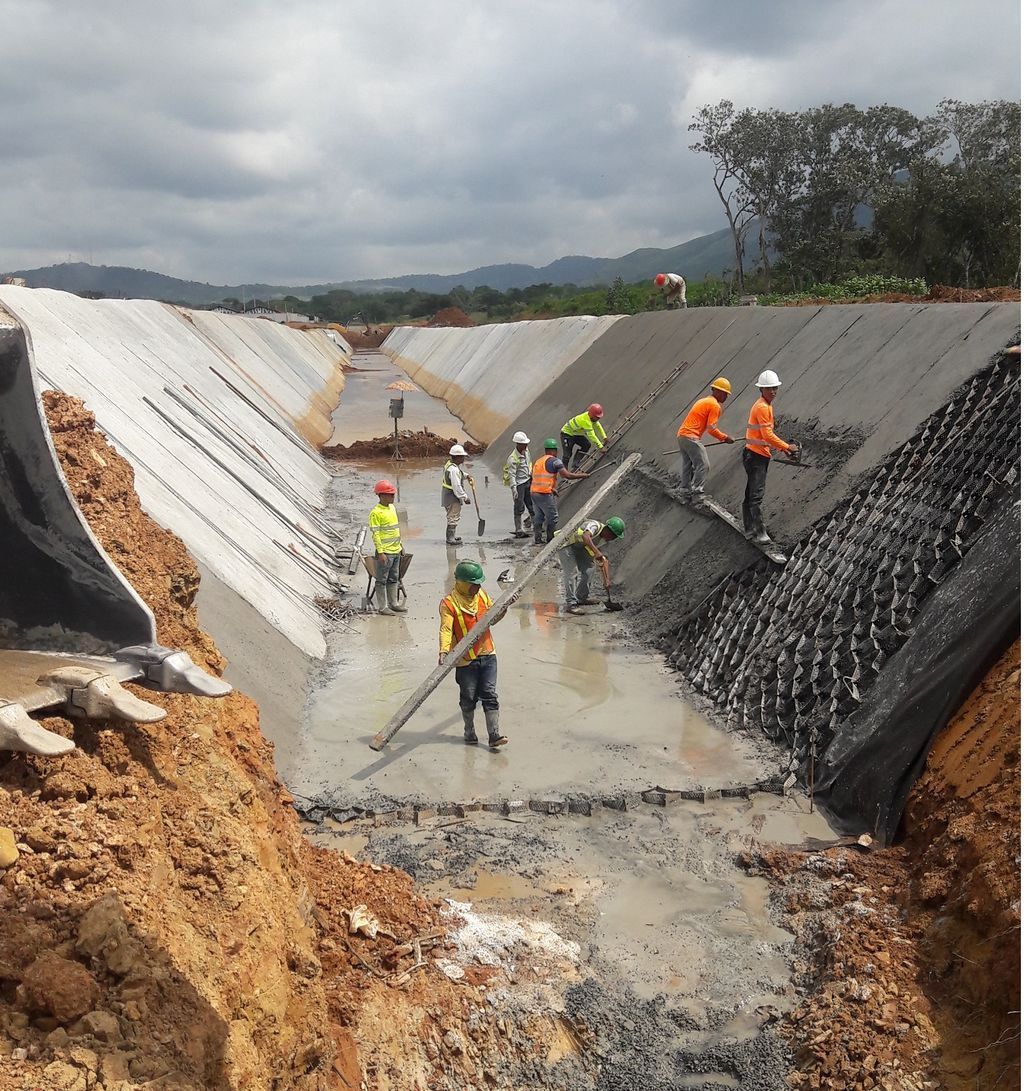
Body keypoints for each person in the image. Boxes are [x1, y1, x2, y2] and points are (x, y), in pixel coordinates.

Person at [438, 560, 509, 750]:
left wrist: (504, 609)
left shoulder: (482, 596)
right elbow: (446, 629)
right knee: (468, 698)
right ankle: (469, 731)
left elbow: (492, 618)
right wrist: (444, 651)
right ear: (461, 583)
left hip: (488, 653)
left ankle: (494, 735)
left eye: (479, 583)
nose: (477, 587)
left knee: (489, 694)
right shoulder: (449, 603)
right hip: (464, 659)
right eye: (473, 584)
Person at [743, 370, 800, 545]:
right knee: (756, 496)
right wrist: (786, 447)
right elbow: (767, 435)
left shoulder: (765, 405)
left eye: (775, 388)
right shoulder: (762, 407)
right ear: (762, 390)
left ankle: (749, 529)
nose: (773, 392)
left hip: (753, 453)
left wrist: (782, 449)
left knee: (750, 494)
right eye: (769, 389)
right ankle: (760, 533)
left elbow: (765, 435)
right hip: (756, 456)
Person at [677, 377, 735, 506]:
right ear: (717, 391)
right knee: (703, 464)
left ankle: (684, 492)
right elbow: (712, 429)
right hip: (691, 437)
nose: (726, 397)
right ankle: (697, 494)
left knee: (688, 465)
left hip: (681, 435)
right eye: (725, 393)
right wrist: (725, 438)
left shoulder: (703, 401)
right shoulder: (714, 405)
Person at [559, 517, 625, 614]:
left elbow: (604, 560)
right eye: (613, 536)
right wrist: (596, 552)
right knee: (572, 573)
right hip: (566, 544)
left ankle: (581, 598)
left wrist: (607, 580)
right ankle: (571, 604)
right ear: (607, 530)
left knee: (590, 569)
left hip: (580, 547)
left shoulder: (603, 539)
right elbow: (586, 537)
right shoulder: (594, 525)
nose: (612, 539)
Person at [529, 438, 589, 544]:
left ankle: (537, 539)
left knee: (538, 516)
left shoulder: (539, 461)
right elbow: (567, 475)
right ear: (554, 450)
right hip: (544, 495)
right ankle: (550, 539)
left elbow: (539, 478)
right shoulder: (555, 461)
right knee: (552, 517)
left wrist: (552, 488)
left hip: (534, 493)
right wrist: (582, 476)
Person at [368, 479, 407, 615]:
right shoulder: (376, 512)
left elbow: (395, 529)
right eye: (390, 495)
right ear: (381, 495)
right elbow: (376, 534)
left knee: (393, 578)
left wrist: (400, 545)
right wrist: (381, 552)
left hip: (396, 550)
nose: (392, 497)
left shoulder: (392, 508)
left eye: (393, 494)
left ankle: (394, 603)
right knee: (381, 580)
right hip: (385, 552)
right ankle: (383, 607)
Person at [503, 430, 533, 538]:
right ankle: (519, 528)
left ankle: (536, 526)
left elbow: (529, 463)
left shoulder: (526, 451)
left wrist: (530, 474)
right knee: (519, 506)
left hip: (527, 481)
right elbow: (512, 475)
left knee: (531, 504)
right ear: (518, 444)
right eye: (524, 444)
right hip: (519, 484)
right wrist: (514, 489)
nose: (526, 445)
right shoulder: (512, 459)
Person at [440, 443, 473, 545]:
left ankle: (452, 536)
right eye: (462, 457)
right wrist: (465, 497)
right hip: (452, 497)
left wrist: (466, 476)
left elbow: (459, 474)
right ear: (457, 457)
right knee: (453, 517)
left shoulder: (451, 466)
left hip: (448, 496)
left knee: (453, 516)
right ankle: (450, 538)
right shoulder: (453, 470)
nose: (463, 459)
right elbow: (457, 486)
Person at [560, 404, 607, 469]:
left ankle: (575, 464)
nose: (598, 418)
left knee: (586, 445)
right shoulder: (585, 421)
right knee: (567, 455)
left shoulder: (592, 418)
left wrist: (605, 437)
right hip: (567, 434)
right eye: (597, 417)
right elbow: (592, 435)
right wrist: (601, 447)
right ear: (592, 415)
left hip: (576, 434)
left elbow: (598, 426)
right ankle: (564, 472)